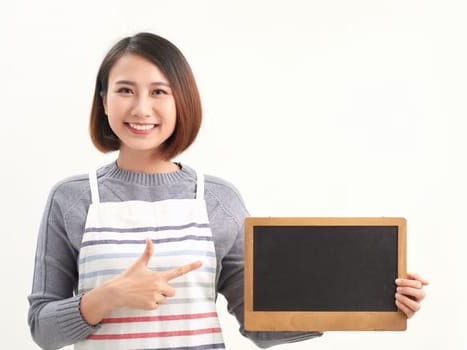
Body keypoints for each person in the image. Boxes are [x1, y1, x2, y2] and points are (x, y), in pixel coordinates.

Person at [27, 32, 429, 350]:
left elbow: (257, 323)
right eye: (126, 90)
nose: (141, 108)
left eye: (159, 91)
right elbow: (42, 329)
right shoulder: (73, 198)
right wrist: (110, 295)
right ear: (103, 99)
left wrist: (365, 298)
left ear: (182, 100)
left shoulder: (217, 199)